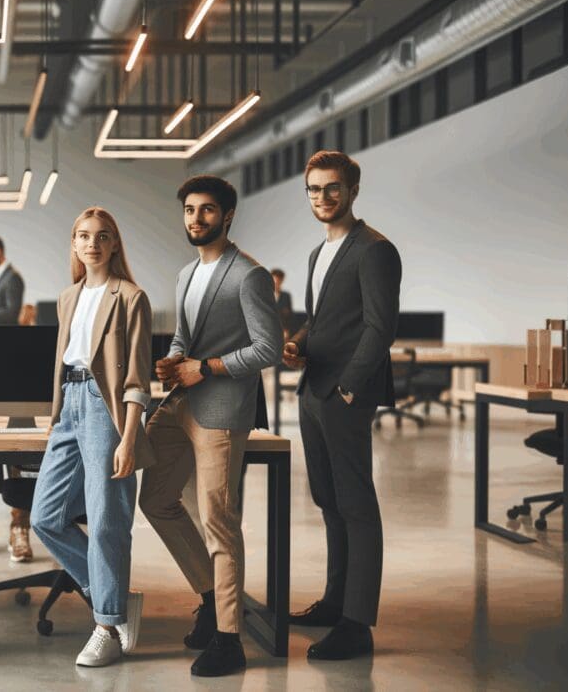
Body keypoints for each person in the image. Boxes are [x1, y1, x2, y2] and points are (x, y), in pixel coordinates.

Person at [139, 176, 282, 677]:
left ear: (227, 216)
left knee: (218, 521)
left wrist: (208, 367)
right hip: (180, 402)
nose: (196, 219)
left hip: (222, 409)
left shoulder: (250, 275)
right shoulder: (185, 275)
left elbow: (267, 348)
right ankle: (211, 595)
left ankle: (229, 639)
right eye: (190, 211)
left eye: (207, 211)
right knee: (154, 498)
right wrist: (175, 359)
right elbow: (184, 334)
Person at [284, 150, 401, 661]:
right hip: (314, 389)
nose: (322, 198)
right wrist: (299, 344)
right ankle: (335, 601)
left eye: (332, 188)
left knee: (356, 505)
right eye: (313, 189)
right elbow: (325, 318)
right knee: (328, 501)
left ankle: (357, 623)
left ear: (353, 191)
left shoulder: (374, 249)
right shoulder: (318, 253)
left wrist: (351, 387)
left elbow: (380, 326)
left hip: (345, 394)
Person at [30, 207, 151, 668]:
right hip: (69, 407)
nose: (92, 244)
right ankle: (113, 597)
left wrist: (128, 437)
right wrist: (56, 414)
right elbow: (63, 362)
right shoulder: (68, 296)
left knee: (106, 523)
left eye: (102, 236)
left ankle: (107, 623)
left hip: (108, 409)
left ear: (114, 243)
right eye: (83, 236)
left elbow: (138, 377)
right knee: (45, 516)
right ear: (75, 244)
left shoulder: (130, 297)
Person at [0, 234, 33, 561]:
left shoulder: (13, 279)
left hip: (8, 359)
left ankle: (19, 527)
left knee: (16, 441)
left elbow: (10, 314)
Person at [272, 268, 295, 338]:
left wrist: (286, 330)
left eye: (278, 281)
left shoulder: (286, 296)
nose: (275, 283)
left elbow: (289, 315)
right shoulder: (264, 295)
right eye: (273, 280)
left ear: (282, 280)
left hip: (282, 332)